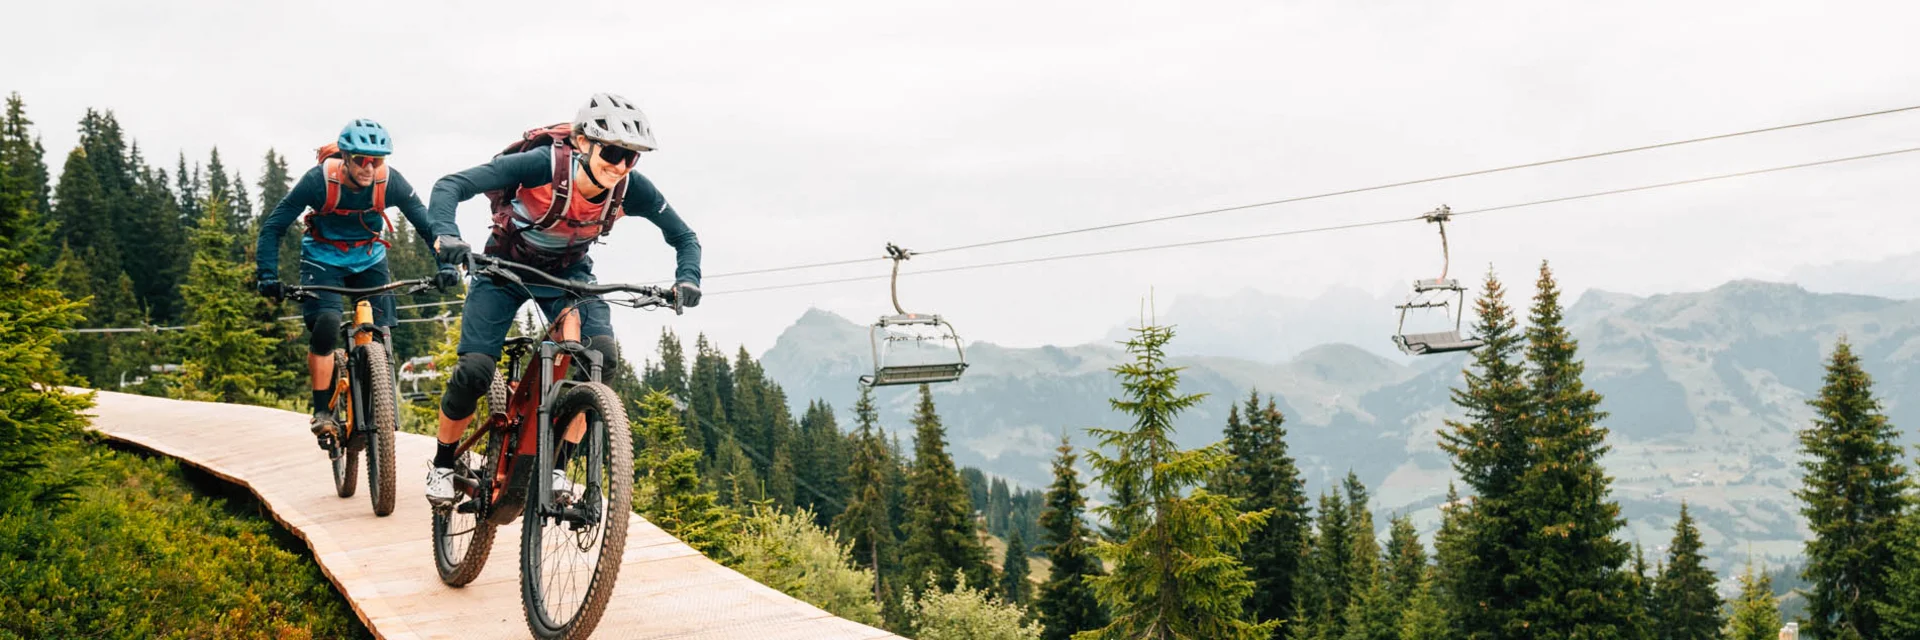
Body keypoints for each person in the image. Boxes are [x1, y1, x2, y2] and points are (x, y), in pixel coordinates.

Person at [423, 93, 701, 506]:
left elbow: (684, 237)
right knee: (475, 371)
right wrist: (445, 233)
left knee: (600, 359)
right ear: (584, 143)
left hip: (569, 275)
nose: (621, 165)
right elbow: (451, 185)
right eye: (612, 152)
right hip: (504, 267)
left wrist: (687, 279)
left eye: (632, 158)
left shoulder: (629, 188)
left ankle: (555, 469)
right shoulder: (543, 165)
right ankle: (443, 464)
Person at [256, 119, 459, 446]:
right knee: (327, 321)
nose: (369, 167)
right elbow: (273, 227)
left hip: (369, 257)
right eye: (361, 159)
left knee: (381, 328)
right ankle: (322, 412)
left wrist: (445, 265)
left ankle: (378, 398)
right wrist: (267, 275)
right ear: (346, 158)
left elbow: (427, 224)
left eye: (376, 160)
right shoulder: (318, 182)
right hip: (323, 259)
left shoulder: (389, 182)